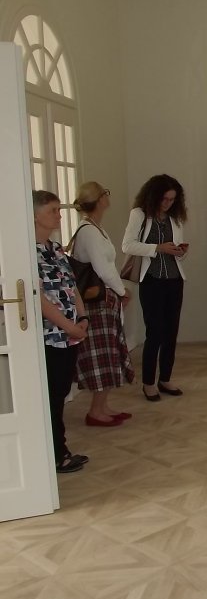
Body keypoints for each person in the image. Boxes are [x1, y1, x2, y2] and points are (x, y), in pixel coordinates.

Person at [34, 190, 90, 473]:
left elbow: (72, 286)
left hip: (70, 333)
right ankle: (57, 453)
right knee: (52, 396)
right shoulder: (25, 252)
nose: (59, 215)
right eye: (53, 210)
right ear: (35, 216)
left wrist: (82, 316)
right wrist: (69, 327)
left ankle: (59, 450)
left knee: (61, 391)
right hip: (50, 336)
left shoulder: (55, 248)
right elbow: (38, 299)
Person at [71, 182, 135, 425]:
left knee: (109, 353)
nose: (108, 197)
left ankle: (102, 406)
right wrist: (122, 291)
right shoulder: (88, 231)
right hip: (97, 303)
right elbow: (102, 268)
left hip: (104, 299)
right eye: (105, 193)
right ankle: (96, 411)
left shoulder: (95, 228)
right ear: (99, 200)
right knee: (102, 355)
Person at [122, 174, 189, 402]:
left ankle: (165, 378)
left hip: (174, 279)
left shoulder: (175, 218)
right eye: (164, 199)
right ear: (154, 196)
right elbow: (127, 245)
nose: (168, 203)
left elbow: (176, 252)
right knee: (155, 331)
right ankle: (149, 382)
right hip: (151, 280)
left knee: (171, 331)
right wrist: (158, 248)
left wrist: (179, 252)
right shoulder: (139, 214)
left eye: (172, 199)